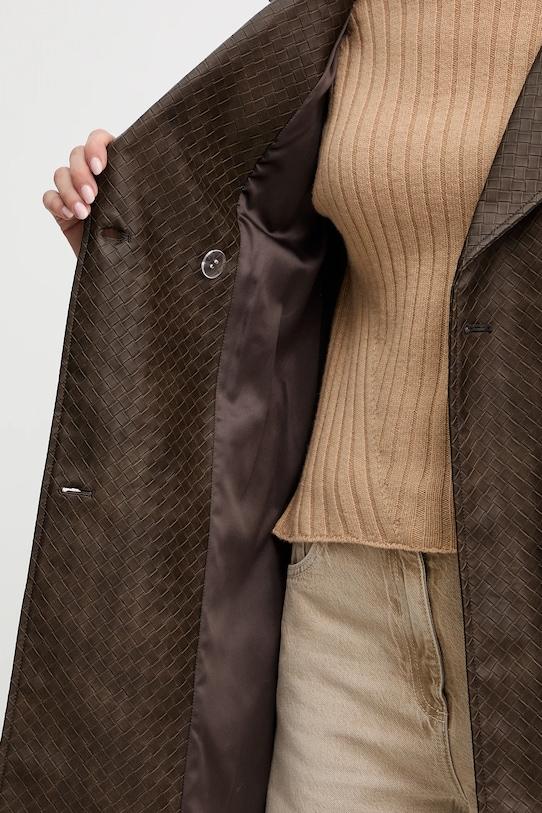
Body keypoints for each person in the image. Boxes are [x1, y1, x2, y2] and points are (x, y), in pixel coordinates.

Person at [41, 0, 542, 810]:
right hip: (344, 614)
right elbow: (269, 249)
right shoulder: (345, 18)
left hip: (523, 587)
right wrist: (143, 244)